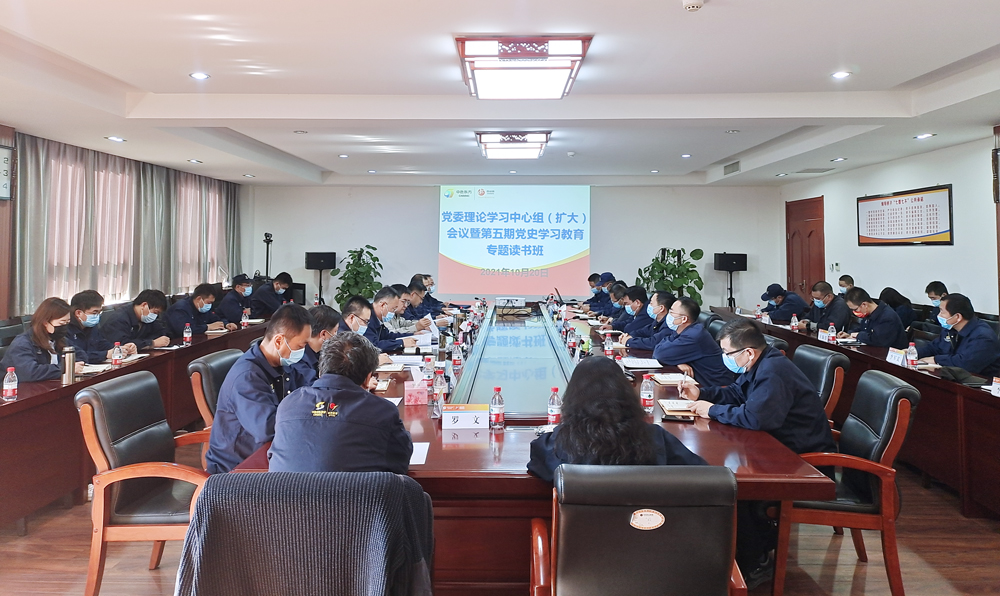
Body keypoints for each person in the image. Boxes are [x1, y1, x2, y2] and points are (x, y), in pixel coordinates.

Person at [679, 318, 835, 583]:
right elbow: (738, 395)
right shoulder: (760, 364)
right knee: (726, 476)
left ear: (748, 352)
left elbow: (758, 419)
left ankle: (755, 562)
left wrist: (712, 410)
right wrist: (702, 394)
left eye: (728, 353)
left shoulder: (774, 371)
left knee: (732, 487)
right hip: (780, 449)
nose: (725, 358)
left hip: (803, 462)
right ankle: (740, 552)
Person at [527, 356, 706, 483]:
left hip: (583, 535)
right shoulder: (654, 437)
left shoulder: (561, 441)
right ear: (625, 392)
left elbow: (537, 460)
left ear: (574, 396)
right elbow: (704, 475)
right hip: (647, 531)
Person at [268, 333, 413, 473]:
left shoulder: (289, 404)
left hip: (286, 497)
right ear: (368, 378)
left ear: (320, 371)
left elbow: (274, 456)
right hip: (354, 497)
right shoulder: (382, 411)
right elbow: (400, 461)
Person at [205, 304, 313, 474]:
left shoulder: (280, 363)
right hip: (237, 469)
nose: (303, 351)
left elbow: (308, 390)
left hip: (269, 453)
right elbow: (267, 429)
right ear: (279, 340)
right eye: (301, 346)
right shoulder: (247, 377)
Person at [642, 297, 736, 388]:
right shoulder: (682, 330)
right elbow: (660, 346)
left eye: (671, 312)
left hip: (714, 387)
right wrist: (678, 362)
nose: (668, 315)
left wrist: (676, 359)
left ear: (684, 319)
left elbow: (659, 354)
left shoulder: (694, 335)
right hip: (699, 382)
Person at [1, 297, 85, 382]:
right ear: (45, 322)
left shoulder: (58, 339)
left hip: (50, 385)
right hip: (21, 390)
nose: (65, 327)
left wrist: (74, 365)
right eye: (62, 323)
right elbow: (30, 373)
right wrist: (65, 367)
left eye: (67, 323)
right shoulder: (22, 343)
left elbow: (81, 355)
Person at [918, 293, 1000, 377]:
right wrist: (914, 353)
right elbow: (934, 348)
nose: (939, 315)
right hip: (953, 379)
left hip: (979, 385)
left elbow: (965, 364)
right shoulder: (950, 329)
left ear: (957, 317)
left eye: (942, 312)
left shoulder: (984, 337)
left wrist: (935, 360)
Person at [289, 304, 342, 389]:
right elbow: (316, 388)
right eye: (335, 331)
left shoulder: (321, 352)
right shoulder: (298, 358)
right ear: (323, 334)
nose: (336, 335)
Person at [99, 289, 171, 350]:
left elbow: (161, 332)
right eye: (155, 312)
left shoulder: (145, 317)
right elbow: (123, 345)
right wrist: (151, 343)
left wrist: (146, 343)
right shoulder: (119, 318)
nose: (155, 316)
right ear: (144, 305)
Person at [839, 287, 908, 349]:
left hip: (889, 357)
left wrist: (858, 335)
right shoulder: (868, 314)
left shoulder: (887, 316)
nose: (854, 312)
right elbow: (862, 329)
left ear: (864, 305)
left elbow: (878, 340)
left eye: (855, 309)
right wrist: (849, 334)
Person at [65, 290, 121, 364]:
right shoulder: (65, 329)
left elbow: (100, 343)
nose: (97, 316)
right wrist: (105, 354)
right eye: (94, 312)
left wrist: (117, 349)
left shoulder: (91, 325)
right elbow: (77, 356)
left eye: (99, 312)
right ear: (78, 313)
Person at [165, 283, 236, 337]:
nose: (210, 305)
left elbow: (216, 319)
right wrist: (207, 327)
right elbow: (183, 330)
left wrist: (226, 324)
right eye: (209, 302)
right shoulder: (180, 308)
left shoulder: (202, 308)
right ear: (199, 299)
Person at [363, 286, 418, 352]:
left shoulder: (378, 318)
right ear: (383, 305)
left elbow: (387, 336)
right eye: (393, 309)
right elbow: (373, 345)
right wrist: (401, 343)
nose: (393, 312)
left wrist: (412, 335)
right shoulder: (366, 318)